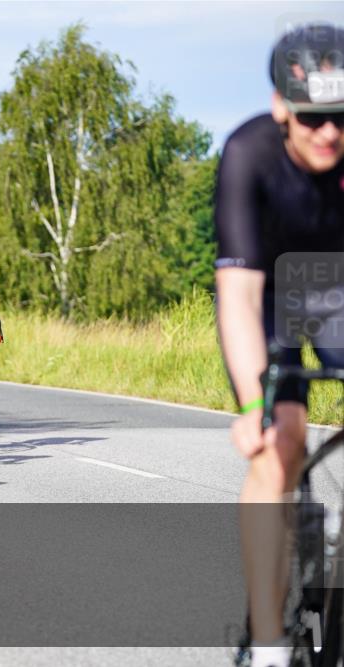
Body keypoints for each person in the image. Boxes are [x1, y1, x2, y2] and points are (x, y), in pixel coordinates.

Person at [214, 23, 344, 667]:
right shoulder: (249, 154)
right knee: (278, 445)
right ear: (281, 108)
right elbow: (238, 297)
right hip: (270, 296)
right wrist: (251, 406)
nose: (329, 133)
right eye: (313, 118)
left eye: (342, 117)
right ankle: (267, 640)